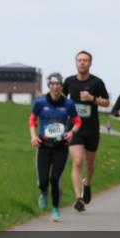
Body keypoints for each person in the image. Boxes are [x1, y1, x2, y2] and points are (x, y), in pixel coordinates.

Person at [29, 73, 82, 223]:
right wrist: (33, 136)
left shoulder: (68, 104)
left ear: (61, 86)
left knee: (55, 179)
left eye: (58, 84)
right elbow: (32, 119)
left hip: (61, 147)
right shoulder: (40, 103)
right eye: (53, 84)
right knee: (43, 180)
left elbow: (78, 121)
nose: (56, 86)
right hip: (44, 146)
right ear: (49, 86)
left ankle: (55, 209)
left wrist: (72, 132)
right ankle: (44, 192)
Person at [62, 51, 110, 211]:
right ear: (76, 63)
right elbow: (60, 98)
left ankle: (87, 184)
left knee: (89, 163)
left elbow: (107, 103)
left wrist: (92, 99)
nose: (82, 63)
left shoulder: (97, 82)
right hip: (74, 128)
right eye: (79, 60)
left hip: (91, 128)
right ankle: (79, 198)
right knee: (77, 161)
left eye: (85, 60)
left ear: (90, 63)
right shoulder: (69, 81)